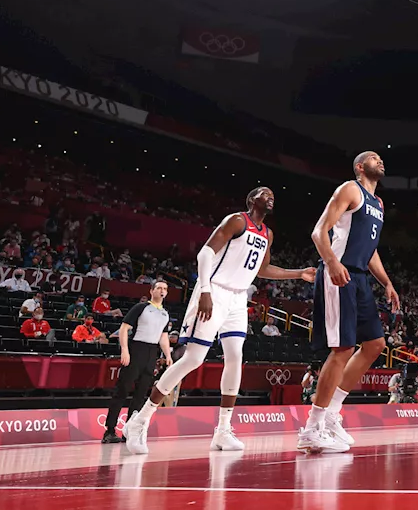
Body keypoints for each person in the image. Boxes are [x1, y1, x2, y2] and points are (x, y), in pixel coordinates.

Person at [124, 187, 315, 455]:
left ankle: (223, 430)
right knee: (193, 359)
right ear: (251, 200)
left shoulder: (267, 234)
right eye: (264, 193)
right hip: (214, 290)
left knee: (236, 356)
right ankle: (140, 420)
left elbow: (262, 270)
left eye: (273, 194)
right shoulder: (237, 220)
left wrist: (298, 274)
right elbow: (205, 254)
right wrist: (204, 290)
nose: (271, 196)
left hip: (238, 299)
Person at [300, 154, 401, 453]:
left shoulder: (379, 204)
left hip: (359, 277)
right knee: (342, 349)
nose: (380, 160)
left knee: (374, 345)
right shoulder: (350, 189)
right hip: (339, 273)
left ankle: (332, 415)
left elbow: (370, 251)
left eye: (382, 158)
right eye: (374, 158)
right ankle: (311, 428)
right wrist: (331, 262)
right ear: (360, 167)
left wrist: (387, 282)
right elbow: (319, 231)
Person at [101, 280, 174, 444]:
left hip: (152, 352)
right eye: (159, 288)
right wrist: (125, 350)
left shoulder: (165, 314)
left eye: (165, 288)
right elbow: (124, 328)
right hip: (136, 349)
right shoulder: (141, 308)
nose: (162, 291)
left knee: (140, 395)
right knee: (122, 390)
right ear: (152, 291)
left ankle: (130, 430)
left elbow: (163, 337)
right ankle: (110, 430)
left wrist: (167, 354)